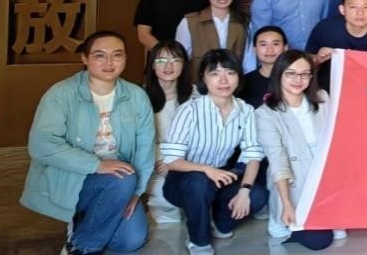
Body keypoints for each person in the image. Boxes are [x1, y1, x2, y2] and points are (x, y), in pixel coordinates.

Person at [21, 31, 154, 255]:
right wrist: (97, 165)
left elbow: (144, 150)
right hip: (74, 177)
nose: (109, 63)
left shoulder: (136, 96)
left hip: (120, 184)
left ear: (125, 58)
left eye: (117, 55)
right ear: (84, 58)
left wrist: (136, 192)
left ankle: (87, 222)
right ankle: (81, 248)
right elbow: (41, 145)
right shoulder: (61, 94)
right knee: (123, 178)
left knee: (129, 241)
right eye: (100, 55)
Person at [162, 49, 267, 254]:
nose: (223, 80)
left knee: (257, 195)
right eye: (215, 73)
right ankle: (199, 240)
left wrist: (244, 191)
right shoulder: (190, 110)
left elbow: (253, 154)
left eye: (230, 72)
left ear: (238, 76)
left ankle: (220, 222)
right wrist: (206, 169)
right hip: (184, 180)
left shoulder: (245, 110)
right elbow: (172, 161)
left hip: (221, 176)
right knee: (198, 182)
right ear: (204, 78)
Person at [255, 51, 337, 249]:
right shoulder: (265, 113)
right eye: (291, 74)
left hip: (325, 175)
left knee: (341, 228)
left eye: (304, 74)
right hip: (296, 180)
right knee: (319, 241)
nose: (298, 80)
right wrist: (287, 203)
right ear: (279, 74)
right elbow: (278, 161)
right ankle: (280, 215)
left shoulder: (322, 98)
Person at [142, 41, 192, 225]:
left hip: (189, 161)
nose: (168, 66)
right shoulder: (140, 96)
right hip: (156, 163)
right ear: (152, 65)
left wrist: (175, 162)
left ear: (184, 64)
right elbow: (140, 140)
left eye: (175, 60)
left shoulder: (196, 96)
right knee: (165, 202)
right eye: (161, 60)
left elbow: (202, 138)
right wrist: (163, 160)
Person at [175, 0, 248, 78]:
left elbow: (248, 62)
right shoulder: (189, 22)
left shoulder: (244, 22)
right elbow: (180, 59)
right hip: (198, 84)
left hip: (233, 83)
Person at [240, 26, 288, 108]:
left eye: (275, 44)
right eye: (263, 44)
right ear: (255, 50)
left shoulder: (297, 78)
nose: (270, 49)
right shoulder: (243, 82)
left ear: (285, 48)